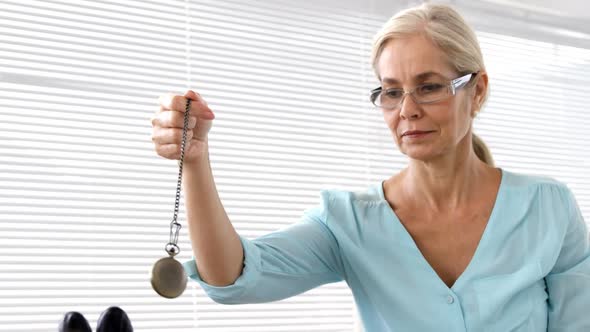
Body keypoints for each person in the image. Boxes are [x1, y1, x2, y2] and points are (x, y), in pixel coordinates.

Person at [150, 3, 590, 331]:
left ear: (476, 92)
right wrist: (195, 162)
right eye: (392, 92)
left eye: (430, 87)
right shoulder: (348, 221)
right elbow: (233, 275)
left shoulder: (548, 207)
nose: (408, 110)